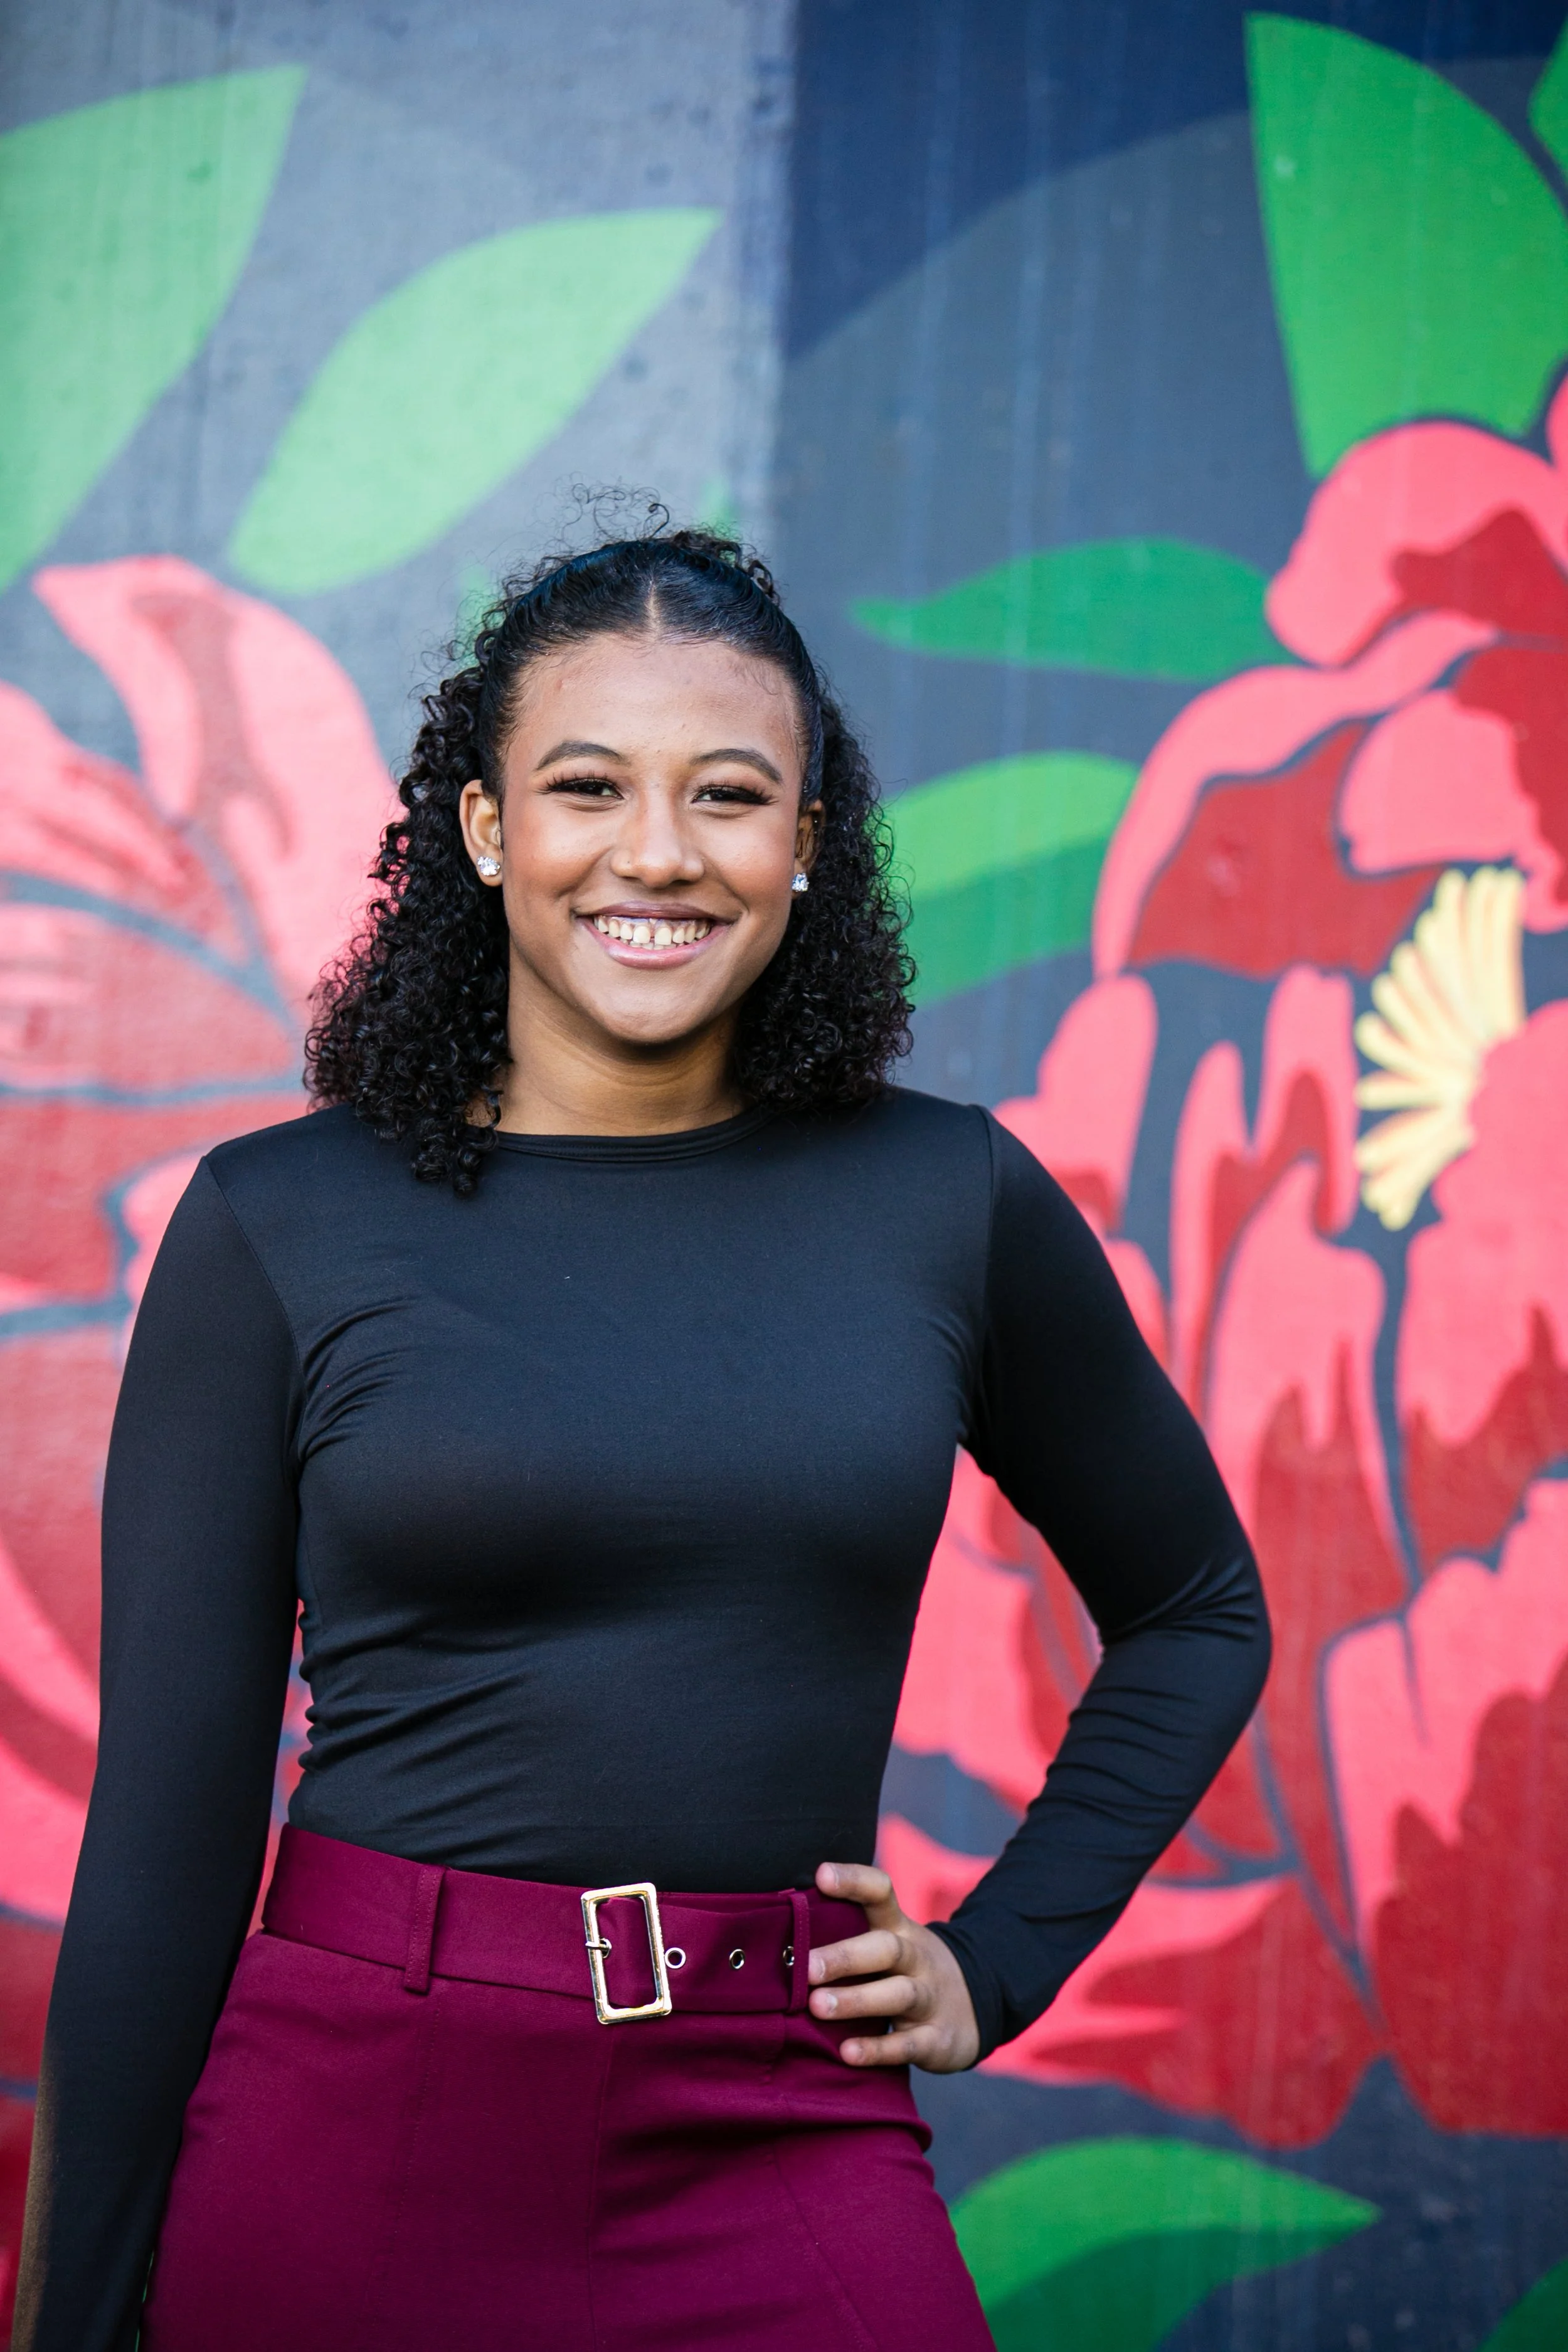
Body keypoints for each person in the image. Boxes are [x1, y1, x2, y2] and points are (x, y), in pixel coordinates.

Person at [14, 526, 1269, 2351]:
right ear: (482, 829)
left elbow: (1194, 1606)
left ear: (808, 842)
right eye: (585, 786)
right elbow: (166, 1835)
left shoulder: (948, 1200)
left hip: (780, 2116)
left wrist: (994, 1960)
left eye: (729, 795)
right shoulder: (279, 1223)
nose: (658, 852)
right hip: (363, 2115)